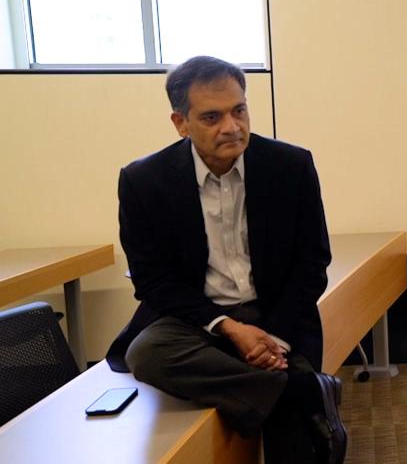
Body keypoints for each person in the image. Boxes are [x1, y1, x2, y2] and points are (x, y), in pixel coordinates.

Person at [105, 56, 346, 464]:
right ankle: (297, 389)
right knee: (146, 352)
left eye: (239, 110)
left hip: (274, 312)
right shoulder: (144, 181)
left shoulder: (290, 166)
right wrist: (230, 328)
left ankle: (278, 388)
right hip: (198, 321)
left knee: (292, 442)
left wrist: (274, 340)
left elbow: (312, 262)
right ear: (180, 123)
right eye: (212, 117)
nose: (232, 127)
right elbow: (152, 281)